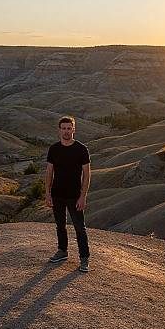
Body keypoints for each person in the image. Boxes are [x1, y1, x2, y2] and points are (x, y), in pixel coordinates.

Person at [45, 115, 91, 272]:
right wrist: (47, 193)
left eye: (69, 128)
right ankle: (62, 251)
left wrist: (83, 196)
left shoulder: (81, 149)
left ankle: (84, 259)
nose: (66, 131)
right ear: (59, 130)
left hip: (74, 196)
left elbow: (87, 175)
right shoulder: (54, 149)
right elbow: (49, 172)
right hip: (57, 194)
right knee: (60, 226)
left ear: (74, 129)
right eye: (63, 128)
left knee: (80, 228)